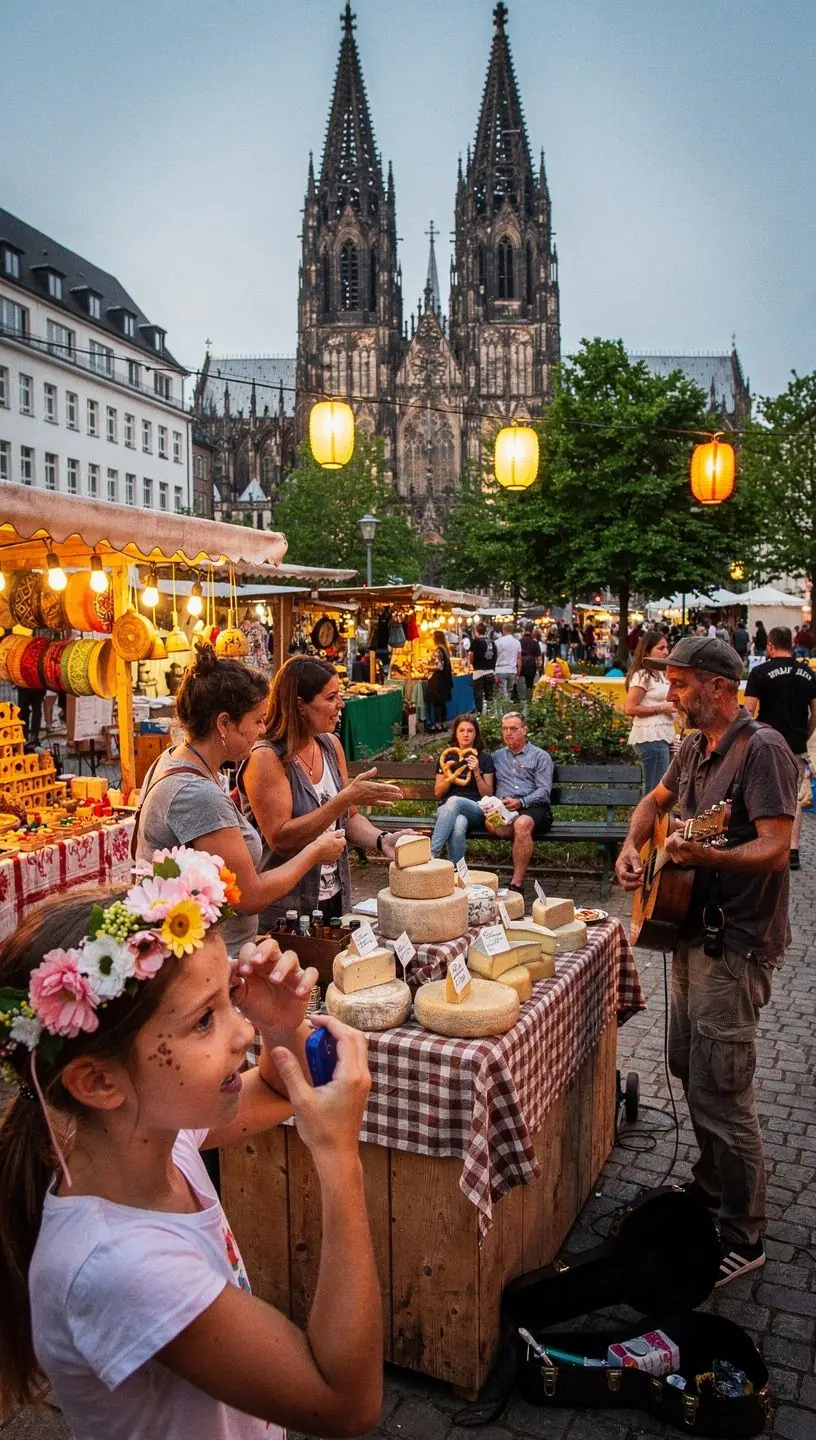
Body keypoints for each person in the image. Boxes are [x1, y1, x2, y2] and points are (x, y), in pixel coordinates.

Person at [0, 857, 382, 1438]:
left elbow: (280, 1089)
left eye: (231, 999)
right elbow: (344, 1402)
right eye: (205, 1021)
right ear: (99, 1082)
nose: (243, 1033)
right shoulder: (121, 1267)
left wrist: (282, 1027)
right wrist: (338, 1159)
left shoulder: (157, 1143)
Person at [616, 636, 798, 1287]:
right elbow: (655, 804)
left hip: (737, 941)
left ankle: (745, 1232)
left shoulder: (766, 751)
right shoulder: (694, 747)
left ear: (718, 686)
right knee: (688, 1063)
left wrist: (712, 858)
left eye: (682, 684)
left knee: (724, 1084)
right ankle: (709, 1183)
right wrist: (634, 847)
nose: (672, 695)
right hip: (688, 928)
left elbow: (776, 847)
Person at [135, 645, 343, 953]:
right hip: (215, 956)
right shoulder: (198, 794)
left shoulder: (171, 760)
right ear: (223, 724)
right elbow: (249, 897)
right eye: (257, 721)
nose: (261, 731)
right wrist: (314, 852)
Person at [239, 655, 405, 927]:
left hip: (334, 899)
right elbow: (280, 838)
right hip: (287, 910)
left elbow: (348, 819)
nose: (341, 704)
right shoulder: (267, 757)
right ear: (300, 705)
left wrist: (382, 840)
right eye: (331, 697)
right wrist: (345, 798)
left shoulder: (329, 745)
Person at [744, 625, 816, 871]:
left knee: (762, 792)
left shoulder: (760, 672)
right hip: (796, 744)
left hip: (766, 743)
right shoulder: (807, 673)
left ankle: (765, 844)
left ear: (771, 646)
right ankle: (792, 850)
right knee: (794, 796)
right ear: (793, 644)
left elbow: (748, 711)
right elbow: (815, 714)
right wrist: (803, 734)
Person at [487, 711, 553, 894]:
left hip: (534, 807)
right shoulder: (497, 757)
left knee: (522, 824)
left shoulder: (540, 756)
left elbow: (544, 790)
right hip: (506, 810)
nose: (508, 733)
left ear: (525, 730)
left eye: (514, 729)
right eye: (505, 729)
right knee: (490, 822)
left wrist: (521, 802)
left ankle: (516, 883)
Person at [430, 713, 495, 861]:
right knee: (458, 826)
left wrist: (477, 772)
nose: (465, 734)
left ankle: (432, 854)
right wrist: (450, 776)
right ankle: (456, 872)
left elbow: (488, 794)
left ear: (476, 734)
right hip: (448, 809)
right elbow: (438, 792)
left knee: (454, 800)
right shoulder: (448, 758)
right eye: (462, 730)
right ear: (456, 733)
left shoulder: (485, 759)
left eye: (470, 731)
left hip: (476, 809)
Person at [624, 630, 676, 795]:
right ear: (647, 651)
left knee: (660, 791)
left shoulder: (661, 674)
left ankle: (655, 820)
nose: (666, 652)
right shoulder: (642, 675)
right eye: (661, 648)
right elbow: (630, 708)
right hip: (650, 736)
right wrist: (662, 708)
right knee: (654, 792)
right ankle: (647, 821)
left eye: (667, 647)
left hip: (664, 734)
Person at [426, 630, 453, 731]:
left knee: (437, 704)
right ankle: (442, 724)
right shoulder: (444, 649)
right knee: (441, 704)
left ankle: (438, 725)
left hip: (438, 681)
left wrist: (426, 666)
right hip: (444, 681)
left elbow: (439, 667)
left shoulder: (438, 650)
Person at [469, 621, 497, 713]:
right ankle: (490, 714)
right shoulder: (492, 642)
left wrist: (471, 662)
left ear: (477, 631)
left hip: (478, 673)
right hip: (490, 672)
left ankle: (479, 715)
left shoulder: (475, 642)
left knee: (478, 696)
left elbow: (471, 655)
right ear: (486, 631)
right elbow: (496, 655)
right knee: (490, 696)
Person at [495, 623, 522, 699]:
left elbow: (494, 657)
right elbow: (519, 658)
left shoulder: (498, 642)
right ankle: (508, 707)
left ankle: (505, 708)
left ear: (503, 630)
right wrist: (518, 672)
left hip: (500, 669)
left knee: (503, 692)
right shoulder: (517, 642)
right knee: (509, 692)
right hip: (512, 670)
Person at [518, 622, 541, 706]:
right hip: (531, 665)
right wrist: (538, 666)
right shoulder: (534, 642)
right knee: (530, 684)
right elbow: (539, 658)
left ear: (524, 629)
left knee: (520, 681)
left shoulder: (519, 641)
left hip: (521, 664)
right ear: (532, 631)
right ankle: (529, 701)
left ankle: (522, 700)